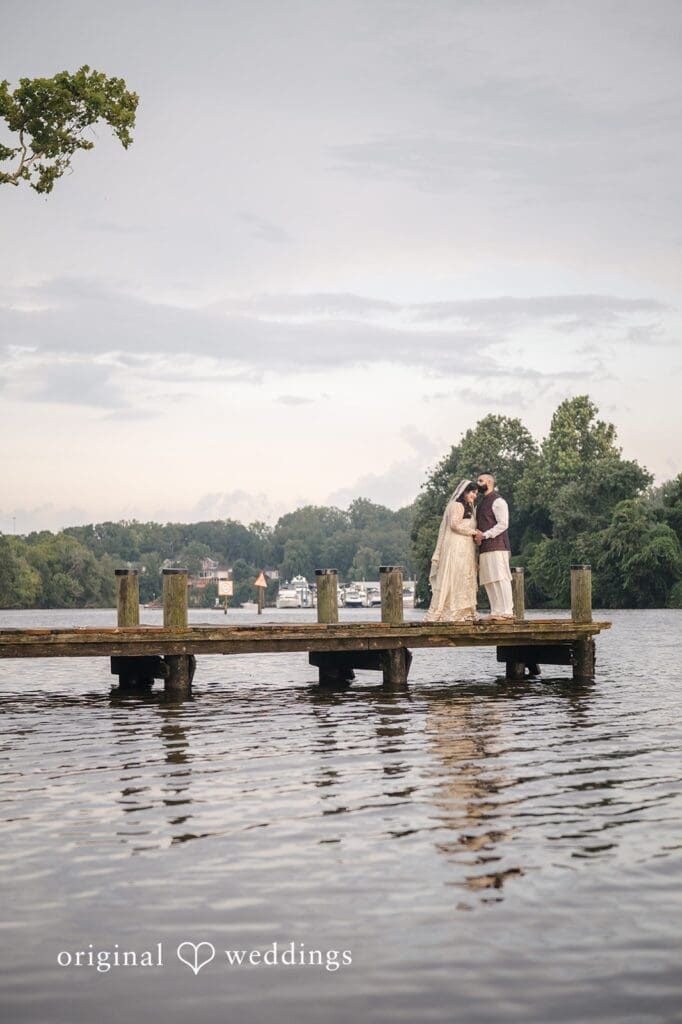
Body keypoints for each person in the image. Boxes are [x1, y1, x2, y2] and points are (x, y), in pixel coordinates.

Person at [425, 479, 479, 622]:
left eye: (476, 493)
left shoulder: (468, 506)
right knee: (455, 575)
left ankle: (464, 611)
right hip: (457, 545)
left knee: (463, 576)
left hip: (465, 546)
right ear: (465, 492)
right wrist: (473, 532)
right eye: (473, 492)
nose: (475, 496)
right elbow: (454, 525)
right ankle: (450, 611)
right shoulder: (457, 505)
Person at [474, 472, 513, 621]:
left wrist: (485, 535)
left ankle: (507, 611)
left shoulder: (499, 501)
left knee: (501, 577)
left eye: (480, 480)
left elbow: (503, 524)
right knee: (488, 579)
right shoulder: (481, 503)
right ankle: (496, 611)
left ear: (489, 482)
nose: (478, 483)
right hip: (484, 547)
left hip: (498, 546)